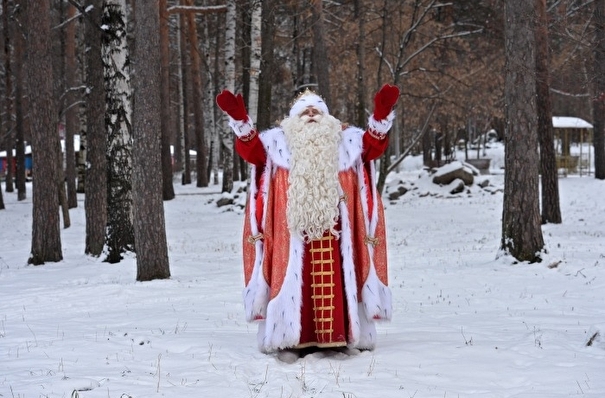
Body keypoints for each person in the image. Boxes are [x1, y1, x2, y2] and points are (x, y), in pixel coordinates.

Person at [216, 84, 400, 362]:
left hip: (336, 233)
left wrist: (382, 113)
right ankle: (290, 339)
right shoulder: (276, 143)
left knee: (337, 282)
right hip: (291, 233)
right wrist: (240, 120)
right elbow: (251, 151)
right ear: (293, 118)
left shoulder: (346, 141)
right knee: (292, 282)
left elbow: (374, 147)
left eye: (316, 110)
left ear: (327, 117)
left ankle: (336, 337)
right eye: (305, 111)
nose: (311, 115)